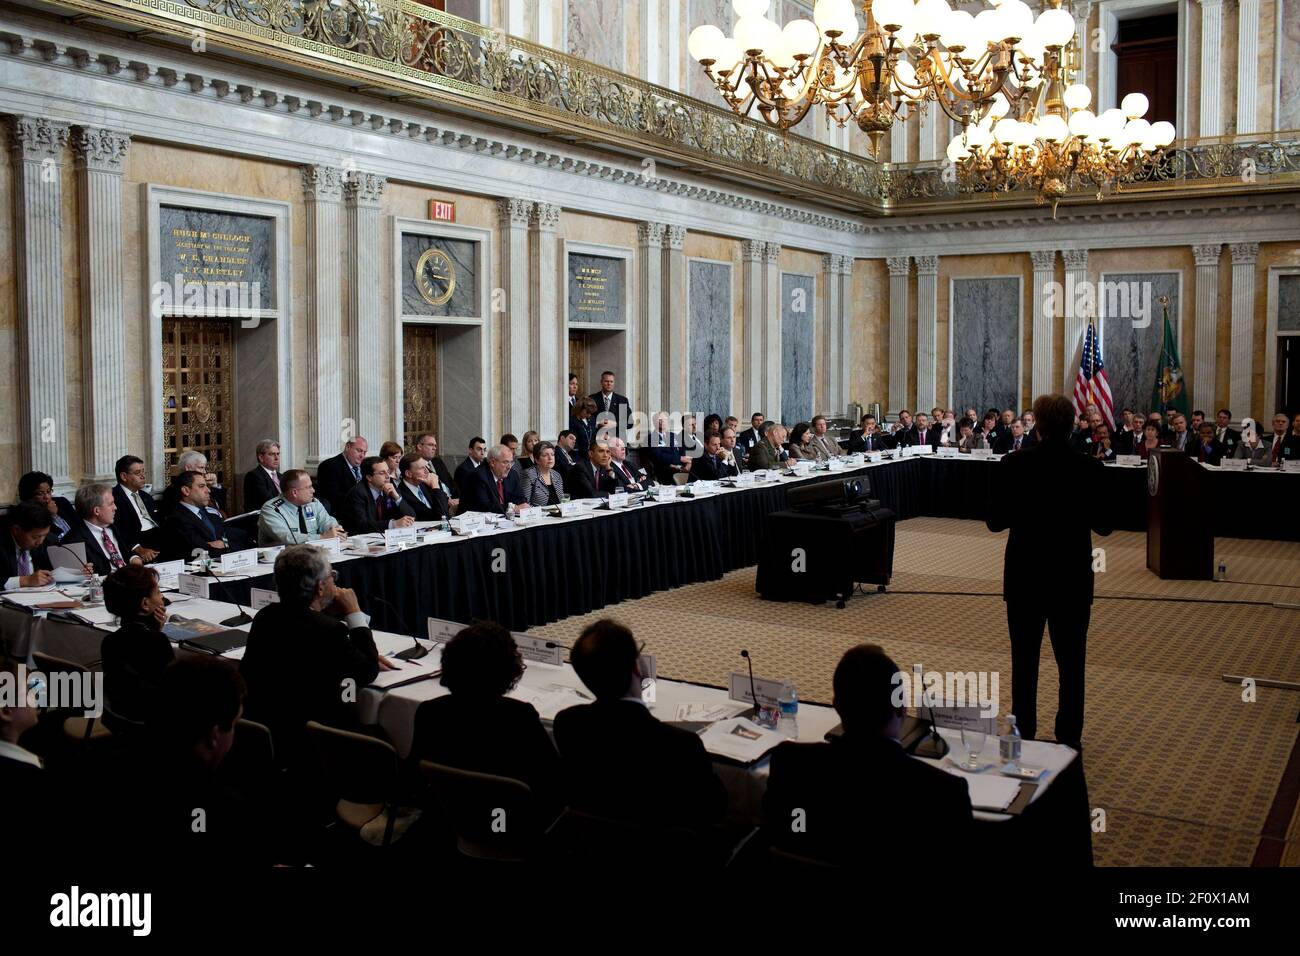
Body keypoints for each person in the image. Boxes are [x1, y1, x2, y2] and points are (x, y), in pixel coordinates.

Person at [762, 644, 973, 862]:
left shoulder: (790, 763)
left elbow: (777, 835)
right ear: (901, 709)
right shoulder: (945, 793)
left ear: (836, 706)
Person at [986, 394, 1113, 749]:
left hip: (1025, 577)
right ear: (1073, 423)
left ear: (1036, 425)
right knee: (1072, 666)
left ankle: (1023, 733)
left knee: (1023, 663)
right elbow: (1105, 526)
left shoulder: (1012, 464)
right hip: (1071, 579)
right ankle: (1068, 739)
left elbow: (994, 522)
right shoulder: (1090, 468)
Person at [553, 619, 726, 829]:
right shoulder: (680, 744)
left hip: (590, 843)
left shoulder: (568, 724)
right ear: (637, 667)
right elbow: (715, 809)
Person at [239, 545, 384, 767]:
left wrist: (323, 613)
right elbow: (367, 671)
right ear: (319, 588)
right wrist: (354, 613)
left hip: (268, 733)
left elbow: (301, 627)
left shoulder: (265, 617)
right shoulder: (329, 631)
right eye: (331, 577)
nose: (335, 583)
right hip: (313, 743)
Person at [409, 622, 560, 810]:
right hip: (503, 820)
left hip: (449, 815)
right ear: (507, 671)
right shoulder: (519, 716)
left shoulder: (430, 711)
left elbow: (413, 777)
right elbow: (553, 781)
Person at [99, 564, 173, 731]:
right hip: (153, 727)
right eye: (158, 593)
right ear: (145, 604)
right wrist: (155, 633)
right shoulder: (157, 642)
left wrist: (153, 629)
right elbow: (169, 693)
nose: (162, 599)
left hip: (120, 722)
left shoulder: (110, 641)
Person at [66, 483, 149, 575]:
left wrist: (134, 559)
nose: (115, 508)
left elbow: (126, 553)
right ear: (97, 511)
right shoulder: (74, 540)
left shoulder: (114, 527)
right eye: (111, 504)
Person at [256, 469, 346, 545]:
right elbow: (288, 538)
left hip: (313, 554)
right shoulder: (272, 510)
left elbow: (327, 521)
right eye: (309, 487)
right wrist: (322, 537)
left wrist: (336, 531)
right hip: (280, 560)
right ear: (294, 492)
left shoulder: (313, 503)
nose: (313, 490)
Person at [339, 457, 416, 534]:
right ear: (369, 477)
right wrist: (392, 524)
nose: (387, 476)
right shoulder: (357, 493)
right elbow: (362, 525)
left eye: (388, 471)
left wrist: (397, 498)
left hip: (386, 538)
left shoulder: (390, 487)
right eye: (382, 473)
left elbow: (411, 516)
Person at [164, 471, 229, 559]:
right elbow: (197, 551)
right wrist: (222, 546)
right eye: (202, 486)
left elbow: (227, 536)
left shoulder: (211, 513)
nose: (208, 490)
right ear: (186, 490)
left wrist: (224, 544)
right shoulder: (176, 518)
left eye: (207, 486)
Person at [111, 455, 163, 558]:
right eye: (138, 473)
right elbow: (117, 528)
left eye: (143, 472)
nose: (143, 476)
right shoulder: (113, 498)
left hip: (157, 536)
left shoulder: (146, 496)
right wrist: (137, 548)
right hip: (137, 542)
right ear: (123, 476)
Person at [0, 502, 55, 589]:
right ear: (16, 530)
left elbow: (55, 569)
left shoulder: (48, 541)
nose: (40, 542)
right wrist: (25, 581)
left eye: (44, 535)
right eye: (35, 537)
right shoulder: (2, 544)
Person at [465, 443, 528, 515]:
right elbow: (485, 506)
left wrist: (522, 506)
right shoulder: (477, 476)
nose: (509, 467)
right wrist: (513, 508)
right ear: (492, 462)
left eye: (511, 462)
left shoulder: (512, 474)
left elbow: (521, 498)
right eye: (505, 462)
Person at [18, 471, 75, 545]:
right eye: (40, 493)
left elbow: (79, 525)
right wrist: (49, 515)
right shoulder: (25, 513)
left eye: (48, 492)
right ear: (28, 496)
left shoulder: (62, 503)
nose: (47, 497)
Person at [314, 436, 369, 513]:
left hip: (364, 510)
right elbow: (332, 497)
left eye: (365, 452)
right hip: (344, 514)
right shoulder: (329, 466)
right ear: (347, 447)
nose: (362, 456)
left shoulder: (365, 466)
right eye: (359, 451)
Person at [397, 452, 450, 521]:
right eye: (421, 468)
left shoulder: (425, 484)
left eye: (426, 466)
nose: (427, 471)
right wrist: (435, 487)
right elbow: (441, 516)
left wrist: (435, 486)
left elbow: (446, 510)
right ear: (408, 474)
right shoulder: (401, 494)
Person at [412, 433, 458, 505]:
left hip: (454, 500)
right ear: (419, 446)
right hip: (439, 503)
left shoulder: (437, 461)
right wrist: (447, 501)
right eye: (430, 445)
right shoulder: (415, 466)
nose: (434, 448)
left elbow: (450, 482)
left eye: (435, 445)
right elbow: (425, 492)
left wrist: (460, 498)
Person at [243, 439, 283, 513]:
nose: (276, 458)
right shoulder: (253, 476)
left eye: (278, 454)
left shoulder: (282, 477)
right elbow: (269, 501)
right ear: (261, 457)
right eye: (272, 454)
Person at [524, 441, 567, 506]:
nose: (550, 458)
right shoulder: (529, 474)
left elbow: (562, 500)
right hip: (538, 515)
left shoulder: (557, 475)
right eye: (545, 455)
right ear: (537, 460)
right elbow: (525, 504)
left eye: (552, 454)